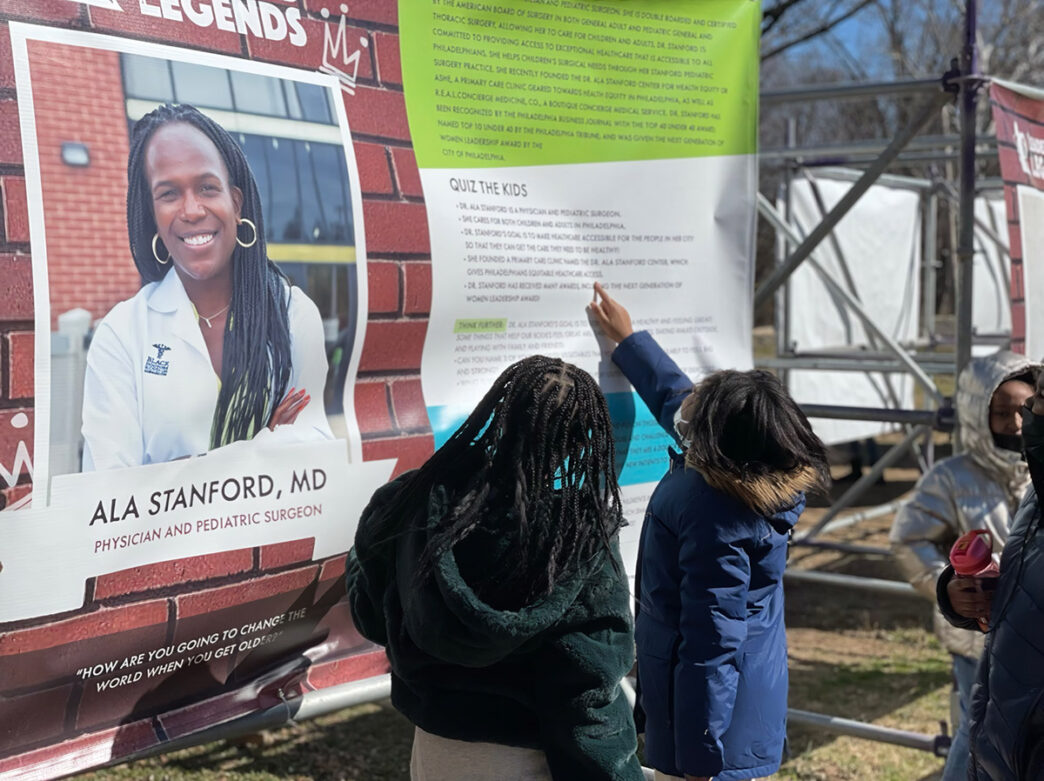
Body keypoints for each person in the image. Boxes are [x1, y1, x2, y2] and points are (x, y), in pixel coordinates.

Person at [345, 355, 643, 781]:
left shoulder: (415, 501)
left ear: (499, 414)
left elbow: (372, 613)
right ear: (582, 443)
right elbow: (586, 683)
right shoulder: (578, 536)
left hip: (436, 749)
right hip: (528, 759)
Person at [589, 283, 829, 781]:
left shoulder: (716, 514)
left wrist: (699, 762)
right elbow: (674, 399)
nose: (692, 399)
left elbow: (710, 647)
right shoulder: (745, 470)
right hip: (733, 714)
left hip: (714, 740)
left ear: (716, 439)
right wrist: (629, 341)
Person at [81, 103, 332, 471]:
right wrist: (259, 448)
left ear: (236, 202)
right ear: (152, 215)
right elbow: (107, 488)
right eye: (168, 194)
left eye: (207, 187)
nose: (192, 210)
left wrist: (168, 470)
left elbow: (315, 454)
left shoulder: (293, 313)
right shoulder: (121, 333)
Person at [890, 351, 1038, 781]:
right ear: (977, 413)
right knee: (975, 734)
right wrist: (947, 583)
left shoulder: (1037, 469)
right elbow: (907, 537)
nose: (1013, 423)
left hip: (1033, 633)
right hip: (978, 637)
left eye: (1022, 410)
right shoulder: (952, 477)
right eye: (1000, 411)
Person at [937, 367, 1044, 781]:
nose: (1026, 418)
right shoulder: (1034, 491)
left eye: (1032, 405)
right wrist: (955, 589)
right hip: (1005, 726)